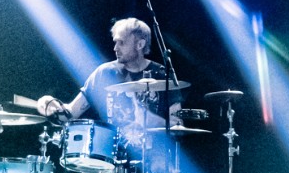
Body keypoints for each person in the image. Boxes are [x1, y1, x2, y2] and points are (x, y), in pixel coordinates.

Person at [36, 17, 182, 142]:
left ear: (140, 44)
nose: (115, 48)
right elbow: (70, 115)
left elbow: (178, 128)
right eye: (115, 42)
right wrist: (48, 105)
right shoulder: (104, 73)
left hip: (155, 163)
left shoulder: (162, 75)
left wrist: (151, 121)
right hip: (113, 162)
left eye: (122, 43)